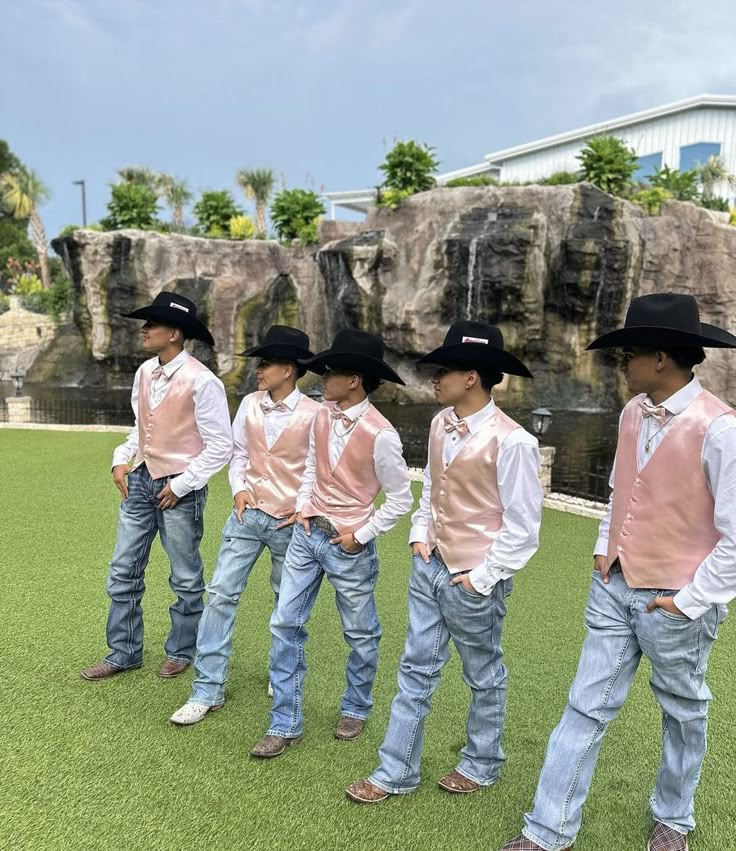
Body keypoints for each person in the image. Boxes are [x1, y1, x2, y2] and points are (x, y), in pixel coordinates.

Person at [500, 292, 736, 851]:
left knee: (682, 712)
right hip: (614, 586)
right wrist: (605, 551)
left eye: (627, 354)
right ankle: (547, 830)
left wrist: (689, 600)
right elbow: (619, 492)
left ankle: (673, 818)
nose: (619, 363)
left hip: (675, 599)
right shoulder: (633, 412)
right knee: (585, 704)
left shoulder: (721, 430)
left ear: (660, 358)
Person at [346, 319, 543, 803]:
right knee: (414, 669)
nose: (435, 378)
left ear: (472, 376)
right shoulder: (439, 423)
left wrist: (481, 577)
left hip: (473, 577)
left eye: (444, 371)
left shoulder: (515, 441)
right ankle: (395, 771)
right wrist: (419, 535)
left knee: (483, 674)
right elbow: (433, 487)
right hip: (429, 564)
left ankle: (481, 763)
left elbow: (524, 528)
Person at [249, 329, 413, 758]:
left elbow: (401, 498)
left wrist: (360, 537)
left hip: (348, 545)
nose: (320, 377)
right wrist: (303, 505)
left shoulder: (382, 434)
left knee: (360, 633)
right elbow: (309, 467)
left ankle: (356, 707)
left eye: (330, 371)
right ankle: (285, 723)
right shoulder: (322, 413)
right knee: (285, 624)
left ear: (354, 379)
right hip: (306, 534)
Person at [169, 326, 320, 725]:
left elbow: (315, 467)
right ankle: (207, 688)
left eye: (266, 363)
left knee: (286, 604)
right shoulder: (251, 403)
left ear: (288, 370)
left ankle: (282, 673)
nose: (259, 369)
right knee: (219, 594)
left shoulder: (315, 414)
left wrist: (302, 505)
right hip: (247, 515)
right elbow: (237, 454)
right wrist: (238, 490)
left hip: (290, 523)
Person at [81, 292, 232, 681]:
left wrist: (182, 485)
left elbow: (221, 446)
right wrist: (121, 457)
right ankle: (124, 651)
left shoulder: (204, 381)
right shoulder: (145, 372)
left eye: (152, 324)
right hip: (142, 479)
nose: (144, 329)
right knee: (122, 569)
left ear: (176, 334)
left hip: (179, 488)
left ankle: (181, 650)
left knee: (184, 576)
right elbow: (142, 425)